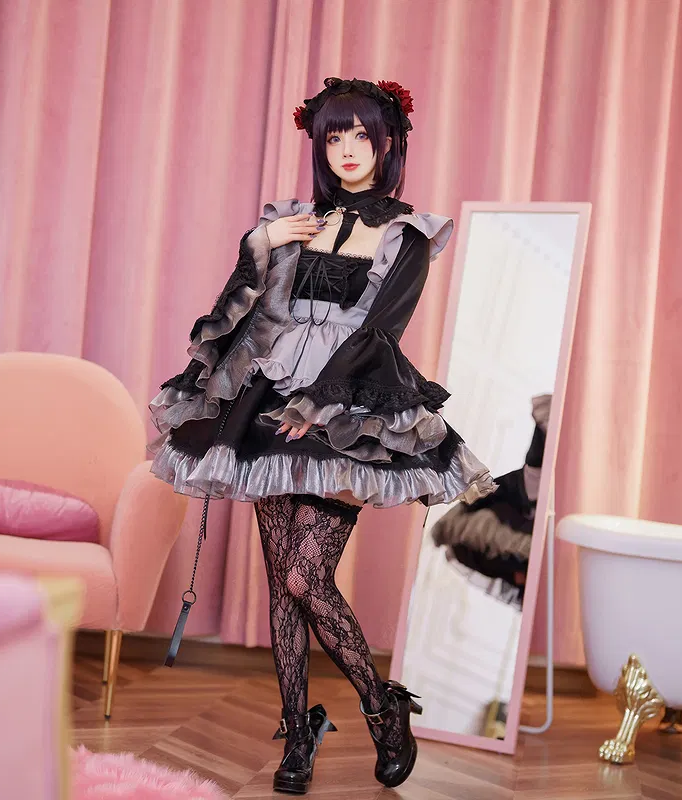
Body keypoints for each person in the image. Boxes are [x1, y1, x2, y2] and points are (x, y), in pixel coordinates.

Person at [147, 77, 495, 794]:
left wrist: (320, 401)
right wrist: (260, 243)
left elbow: (380, 332)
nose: (348, 150)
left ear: (389, 144)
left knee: (306, 577)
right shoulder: (293, 221)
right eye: (334, 137)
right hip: (266, 398)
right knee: (283, 583)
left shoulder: (406, 233)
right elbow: (244, 313)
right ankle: (298, 733)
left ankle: (380, 705)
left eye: (363, 135)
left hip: (347, 403)